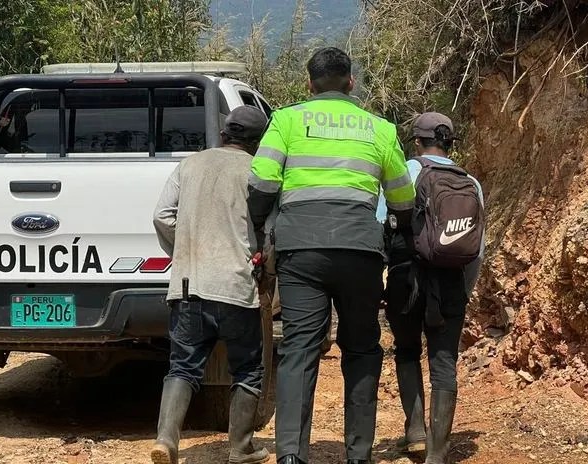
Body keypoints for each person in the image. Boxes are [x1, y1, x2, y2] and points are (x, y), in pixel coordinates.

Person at [247, 47, 416, 464]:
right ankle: (358, 454)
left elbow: (262, 186)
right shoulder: (379, 128)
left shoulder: (285, 120)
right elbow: (403, 200)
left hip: (300, 249)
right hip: (360, 251)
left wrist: (260, 231)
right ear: (351, 82)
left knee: (299, 350)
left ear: (309, 83)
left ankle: (290, 455)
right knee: (361, 348)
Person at [151, 106, 270, 464]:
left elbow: (161, 215)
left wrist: (185, 249)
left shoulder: (189, 165)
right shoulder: (258, 172)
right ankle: (240, 448)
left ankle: (166, 441)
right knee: (248, 367)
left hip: (189, 284)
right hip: (236, 285)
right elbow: (270, 231)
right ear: (258, 142)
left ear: (223, 134)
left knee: (182, 367)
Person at [384, 112, 485, 464]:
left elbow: (383, 224)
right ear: (450, 142)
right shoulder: (470, 181)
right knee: (445, 363)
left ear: (416, 142)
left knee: (407, 350)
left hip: (406, 278)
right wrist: (463, 289)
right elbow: (476, 249)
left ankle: (414, 432)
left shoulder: (405, 173)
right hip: (451, 282)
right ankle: (437, 454)